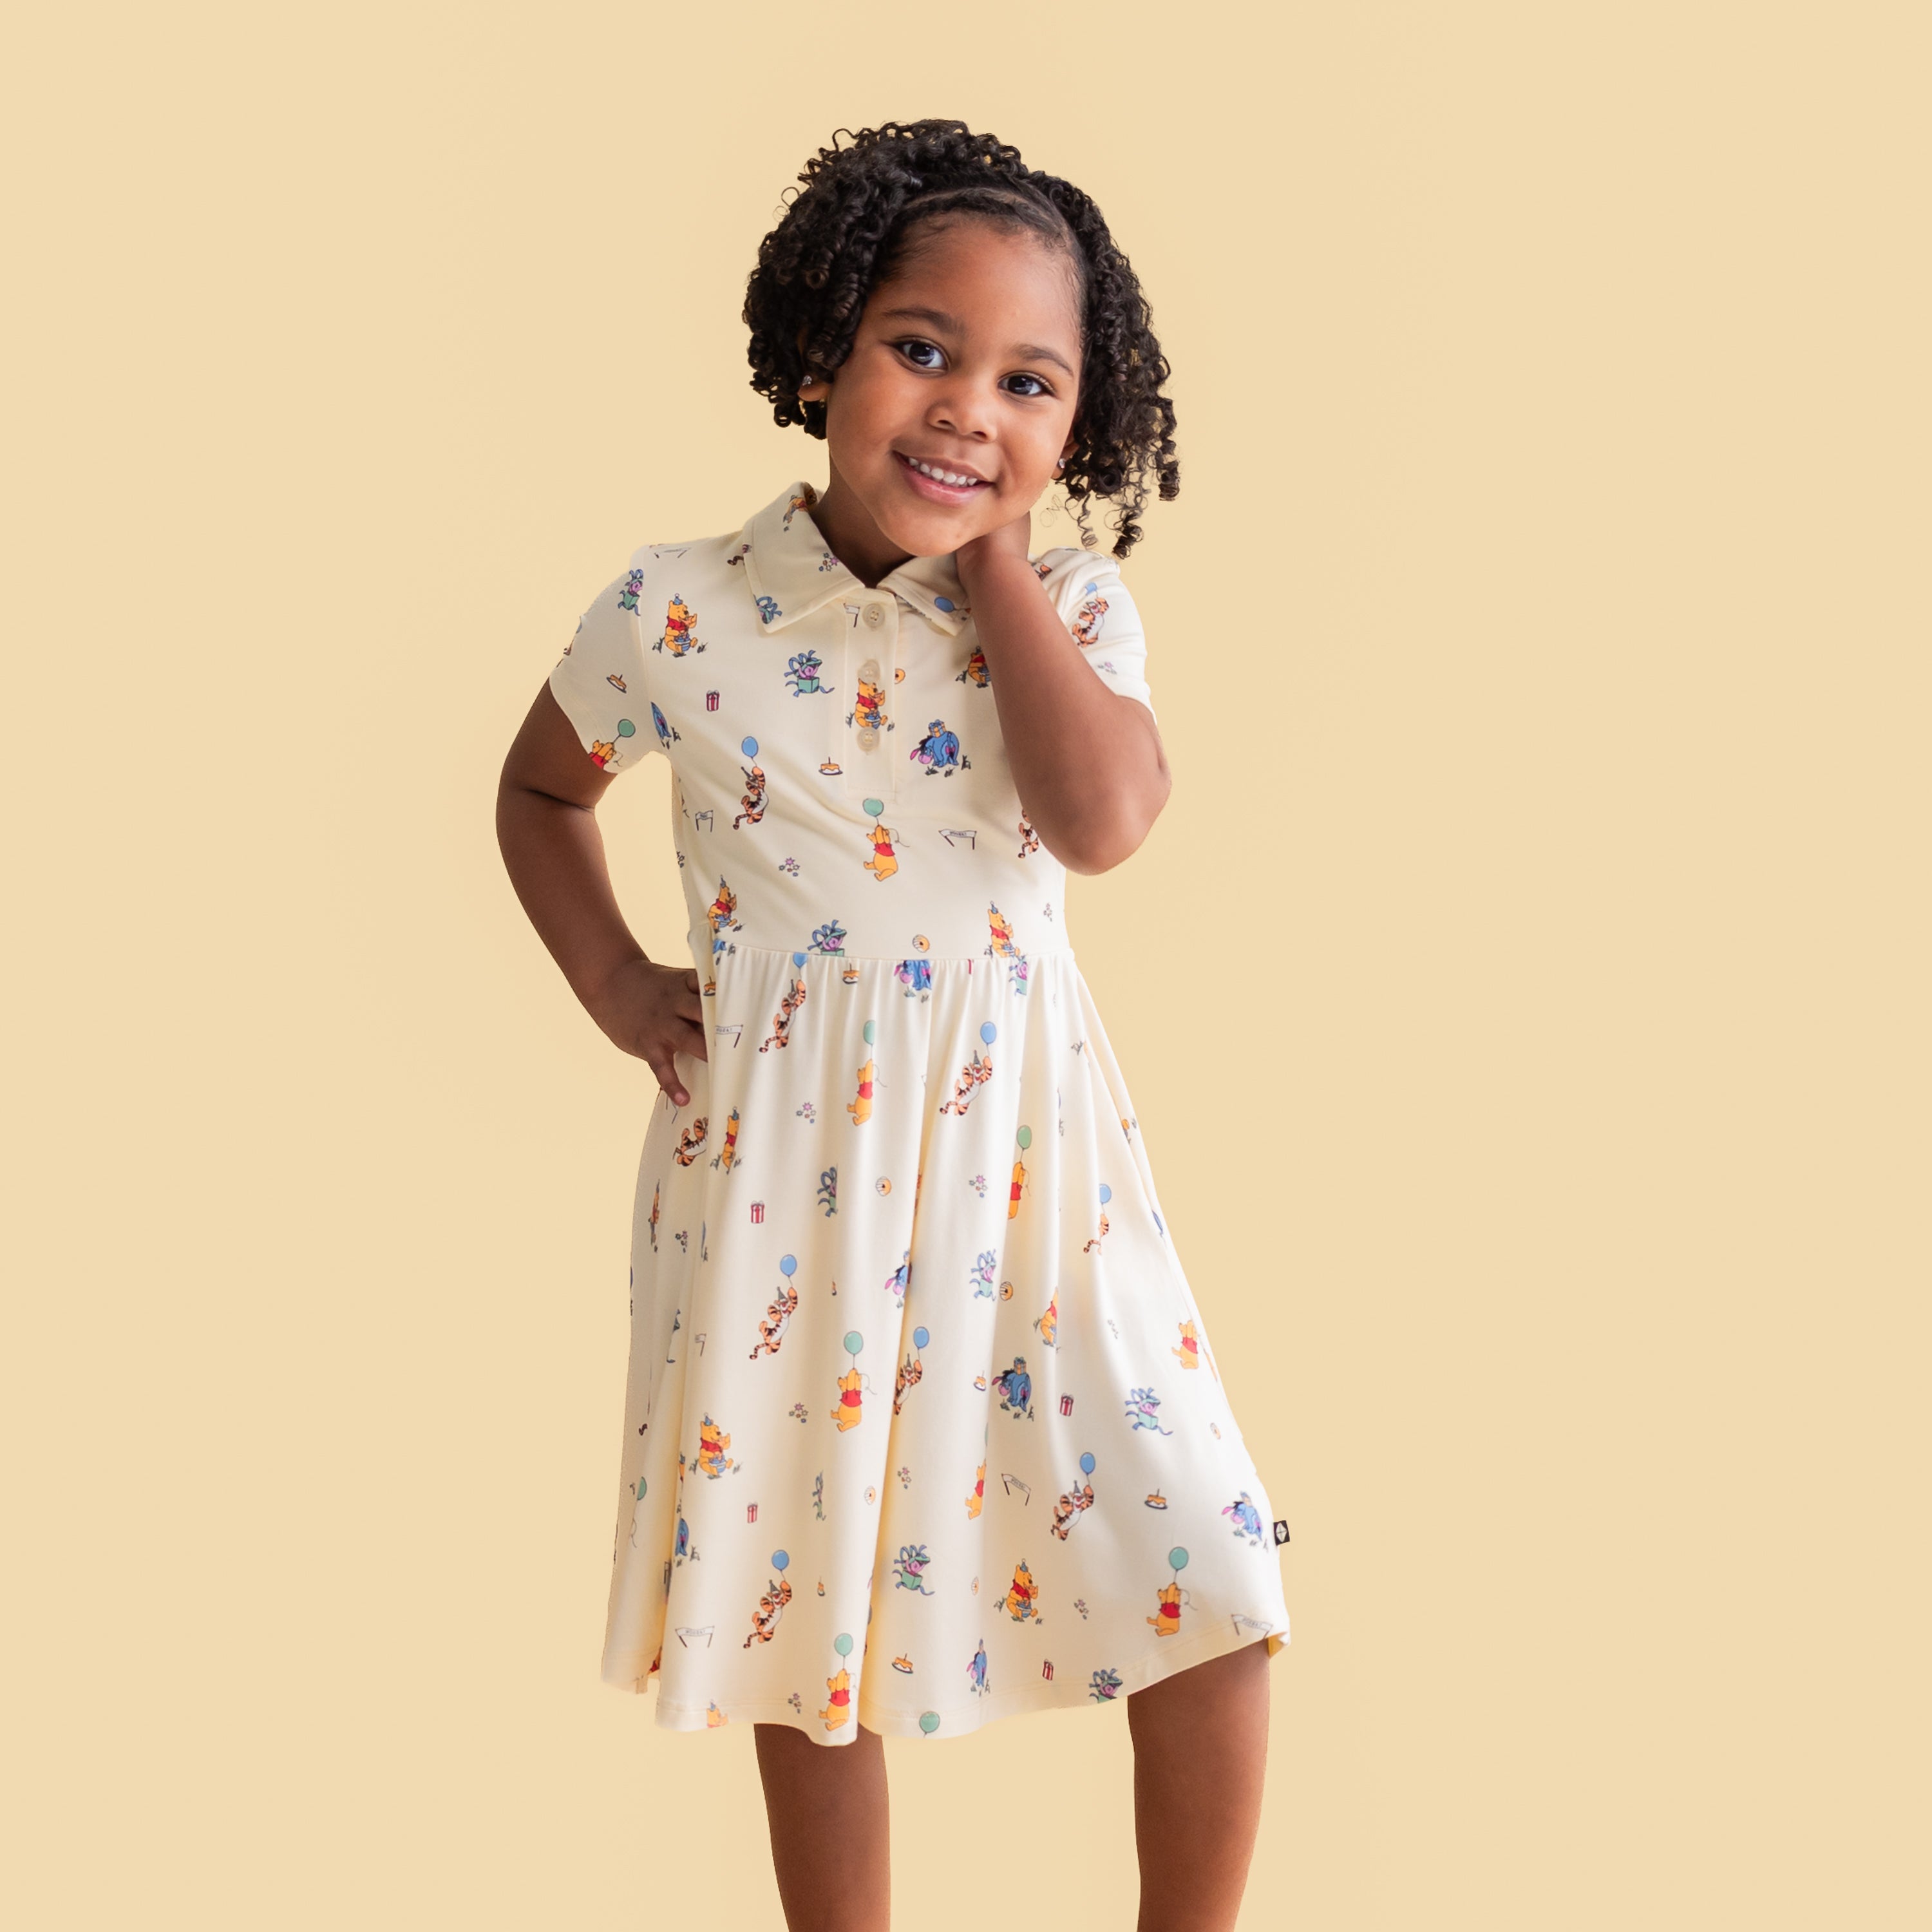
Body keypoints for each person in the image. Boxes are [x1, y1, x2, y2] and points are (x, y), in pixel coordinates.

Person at [498, 120, 1291, 1932]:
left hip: (1034, 1175)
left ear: (1077, 433)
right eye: (922, 349)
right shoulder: (676, 612)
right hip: (785, 1190)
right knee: (805, 1618)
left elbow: (1101, 822)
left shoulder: (1075, 608)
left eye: (1029, 384)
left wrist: (1000, 564)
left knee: (1209, 1575)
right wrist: (622, 984)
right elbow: (538, 794)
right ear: (821, 351)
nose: (965, 411)